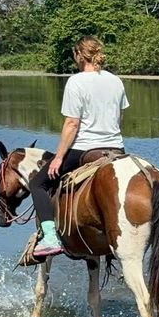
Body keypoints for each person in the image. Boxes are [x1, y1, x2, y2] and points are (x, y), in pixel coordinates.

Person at [28, 36, 129, 258]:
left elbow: (72, 124)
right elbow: (119, 118)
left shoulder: (76, 82)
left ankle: (50, 238)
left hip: (84, 149)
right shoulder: (116, 81)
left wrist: (58, 157)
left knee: (38, 184)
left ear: (79, 55)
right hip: (116, 150)